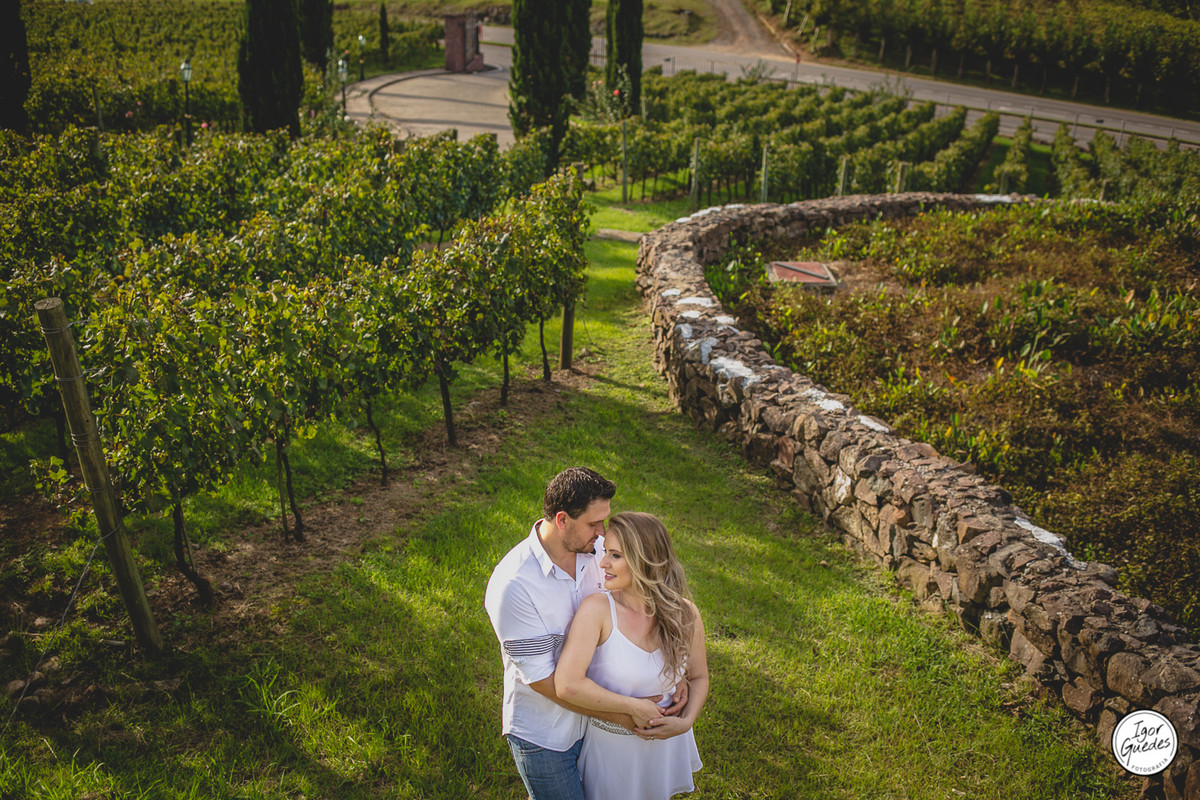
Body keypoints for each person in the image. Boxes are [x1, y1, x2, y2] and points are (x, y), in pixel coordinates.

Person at [485, 468, 687, 800]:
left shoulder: (599, 553)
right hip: (548, 737)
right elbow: (541, 680)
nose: (602, 532)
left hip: (599, 734)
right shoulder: (514, 585)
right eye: (594, 524)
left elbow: (636, 613)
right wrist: (625, 713)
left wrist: (665, 674)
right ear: (562, 520)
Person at [556, 511, 708, 800]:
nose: (603, 563)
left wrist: (685, 722)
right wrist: (630, 707)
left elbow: (699, 677)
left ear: (644, 560)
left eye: (615, 555)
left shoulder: (685, 613)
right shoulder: (597, 610)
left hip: (664, 748)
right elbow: (567, 684)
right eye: (606, 553)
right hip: (612, 753)